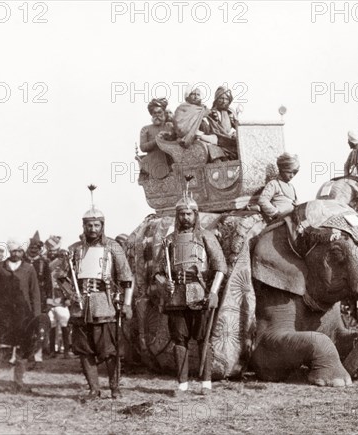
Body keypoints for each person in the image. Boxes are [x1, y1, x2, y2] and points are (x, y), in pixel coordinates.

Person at [62, 185, 133, 399]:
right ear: (83, 226)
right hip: (80, 306)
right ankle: (94, 388)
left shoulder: (113, 247)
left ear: (102, 225)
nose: (93, 229)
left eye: (96, 225)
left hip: (105, 304)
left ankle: (114, 387)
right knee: (84, 349)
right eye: (89, 225)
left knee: (109, 350)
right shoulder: (74, 249)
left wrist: (127, 304)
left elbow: (126, 277)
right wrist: (69, 293)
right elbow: (61, 276)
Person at [154, 189, 227, 396]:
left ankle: (206, 383)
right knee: (179, 341)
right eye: (181, 214)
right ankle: (182, 384)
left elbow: (220, 266)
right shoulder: (169, 240)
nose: (185, 217)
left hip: (200, 294)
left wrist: (213, 292)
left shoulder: (206, 236)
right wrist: (162, 282)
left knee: (204, 340)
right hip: (175, 297)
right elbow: (158, 271)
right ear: (177, 216)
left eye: (189, 213)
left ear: (195, 214)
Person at [0, 238, 41, 393]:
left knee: (22, 352)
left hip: (23, 317)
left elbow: (35, 294)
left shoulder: (29, 269)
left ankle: (18, 383)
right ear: (9, 252)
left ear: (23, 252)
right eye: (13, 251)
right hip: (3, 317)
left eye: (19, 251)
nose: (16, 254)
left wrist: (36, 317)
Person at [24, 231, 52, 365]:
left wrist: (49, 299)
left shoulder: (43, 262)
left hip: (40, 296)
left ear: (40, 249)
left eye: (36, 248)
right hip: (25, 297)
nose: (33, 250)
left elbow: (48, 283)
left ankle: (39, 353)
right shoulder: (23, 261)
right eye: (31, 248)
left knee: (40, 325)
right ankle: (26, 351)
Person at [45, 236, 73, 358]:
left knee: (65, 325)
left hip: (61, 298)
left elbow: (68, 281)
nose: (51, 252)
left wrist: (68, 297)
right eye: (50, 250)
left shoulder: (63, 261)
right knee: (51, 325)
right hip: (50, 298)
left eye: (53, 249)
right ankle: (52, 350)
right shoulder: (44, 261)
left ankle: (66, 350)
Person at [138, 98, 174, 179]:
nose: (157, 115)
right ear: (151, 114)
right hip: (154, 162)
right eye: (154, 113)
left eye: (159, 112)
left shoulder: (170, 126)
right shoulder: (145, 129)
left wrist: (169, 135)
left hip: (172, 160)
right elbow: (143, 147)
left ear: (164, 113)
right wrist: (156, 140)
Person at [258, 152, 300, 220]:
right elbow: (263, 200)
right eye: (289, 172)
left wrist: (297, 205)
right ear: (281, 170)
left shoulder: (291, 186)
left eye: (294, 173)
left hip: (291, 219)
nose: (292, 176)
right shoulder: (274, 184)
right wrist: (275, 213)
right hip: (280, 220)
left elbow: (295, 201)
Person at [206, 86, 239, 160]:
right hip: (219, 142)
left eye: (226, 99)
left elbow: (237, 127)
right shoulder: (211, 113)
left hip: (231, 141)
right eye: (221, 98)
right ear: (217, 99)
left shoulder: (231, 112)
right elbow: (211, 130)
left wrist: (235, 133)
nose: (224, 101)